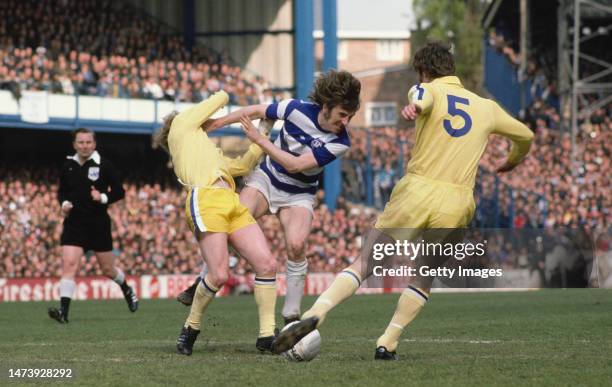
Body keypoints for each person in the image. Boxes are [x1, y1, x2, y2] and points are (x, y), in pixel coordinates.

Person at [273, 42, 535, 359]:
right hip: (457, 201)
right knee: (424, 274)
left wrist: (417, 107)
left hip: (417, 192)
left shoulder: (427, 90)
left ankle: (317, 313)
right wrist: (512, 159)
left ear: (424, 72)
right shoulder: (487, 108)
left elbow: (421, 97)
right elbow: (526, 136)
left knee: (366, 262)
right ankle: (388, 341)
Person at [177, 69, 361, 325]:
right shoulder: (295, 109)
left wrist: (258, 140)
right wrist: (218, 124)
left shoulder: (341, 142)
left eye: (351, 116)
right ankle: (201, 279)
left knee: (296, 245)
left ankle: (291, 315)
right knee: (231, 220)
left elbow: (296, 165)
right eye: (343, 114)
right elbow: (254, 111)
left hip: (299, 193)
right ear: (327, 105)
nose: (346, 122)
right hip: (266, 179)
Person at [152, 90, 278, 356]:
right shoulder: (181, 125)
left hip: (230, 201)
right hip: (205, 198)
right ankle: (191, 327)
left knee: (267, 264)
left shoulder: (206, 151)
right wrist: (225, 96)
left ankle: (267, 335)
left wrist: (263, 131)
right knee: (220, 274)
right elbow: (219, 100)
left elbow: (244, 166)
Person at [48, 128, 137, 323]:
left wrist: (103, 197)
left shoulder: (104, 165)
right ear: (74, 145)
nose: (84, 146)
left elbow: (120, 192)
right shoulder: (68, 166)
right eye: (80, 142)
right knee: (69, 265)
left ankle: (126, 288)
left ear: (94, 144)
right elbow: (61, 192)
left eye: (88, 142)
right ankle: (64, 312)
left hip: (98, 225)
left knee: (108, 270)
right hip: (74, 224)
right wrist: (64, 204)